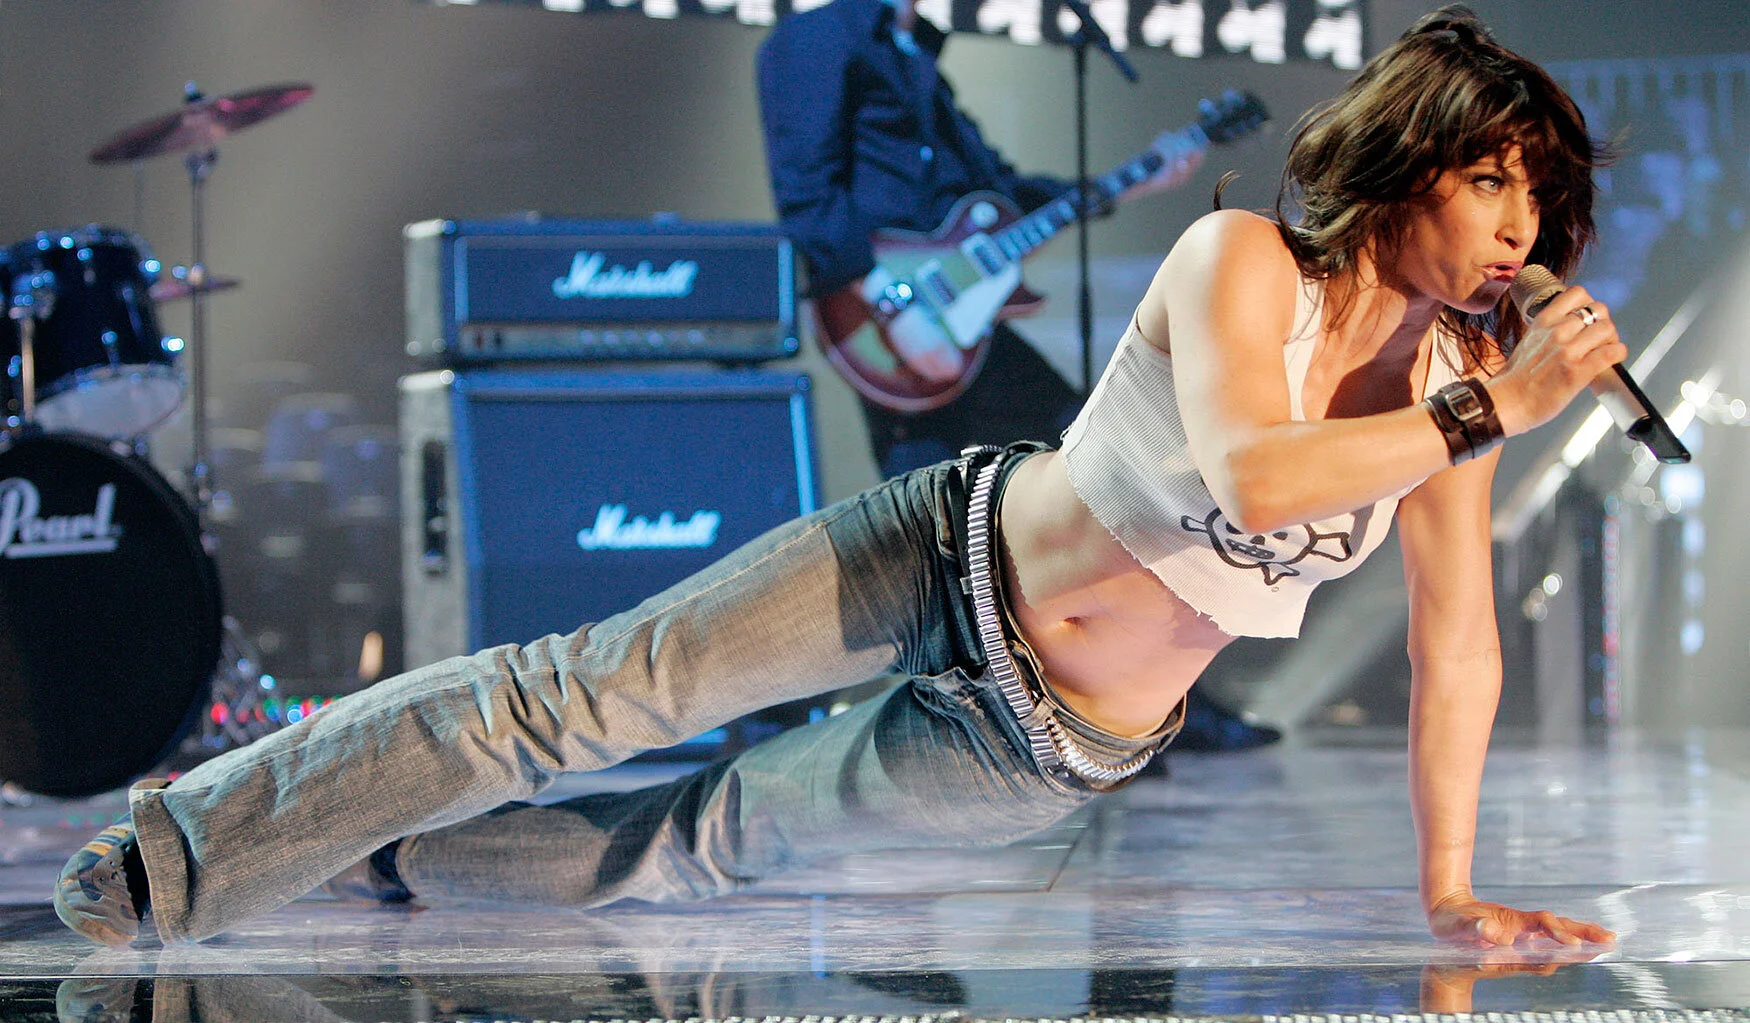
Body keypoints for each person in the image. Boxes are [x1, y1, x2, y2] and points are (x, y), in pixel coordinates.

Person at [58, 5, 1619, 950]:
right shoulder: (1245, 262)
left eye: (1537, 199)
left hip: (1049, 740)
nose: (1515, 226)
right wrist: (1493, 407)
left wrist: (1447, 886)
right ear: (1405, 157)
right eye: (1490, 178)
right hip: (940, 551)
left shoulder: (1447, 399)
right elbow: (1254, 474)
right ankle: (181, 850)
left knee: (690, 846)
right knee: (577, 694)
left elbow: (1458, 647)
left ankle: (361, 843)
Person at [754, 0, 1280, 750]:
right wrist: (882, 295)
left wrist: (1128, 183)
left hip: (958, 326)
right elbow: (805, 190)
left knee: (1080, 464)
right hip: (887, 320)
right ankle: (815, 700)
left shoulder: (916, 51)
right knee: (937, 518)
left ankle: (1139, 699)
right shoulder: (819, 38)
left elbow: (996, 190)